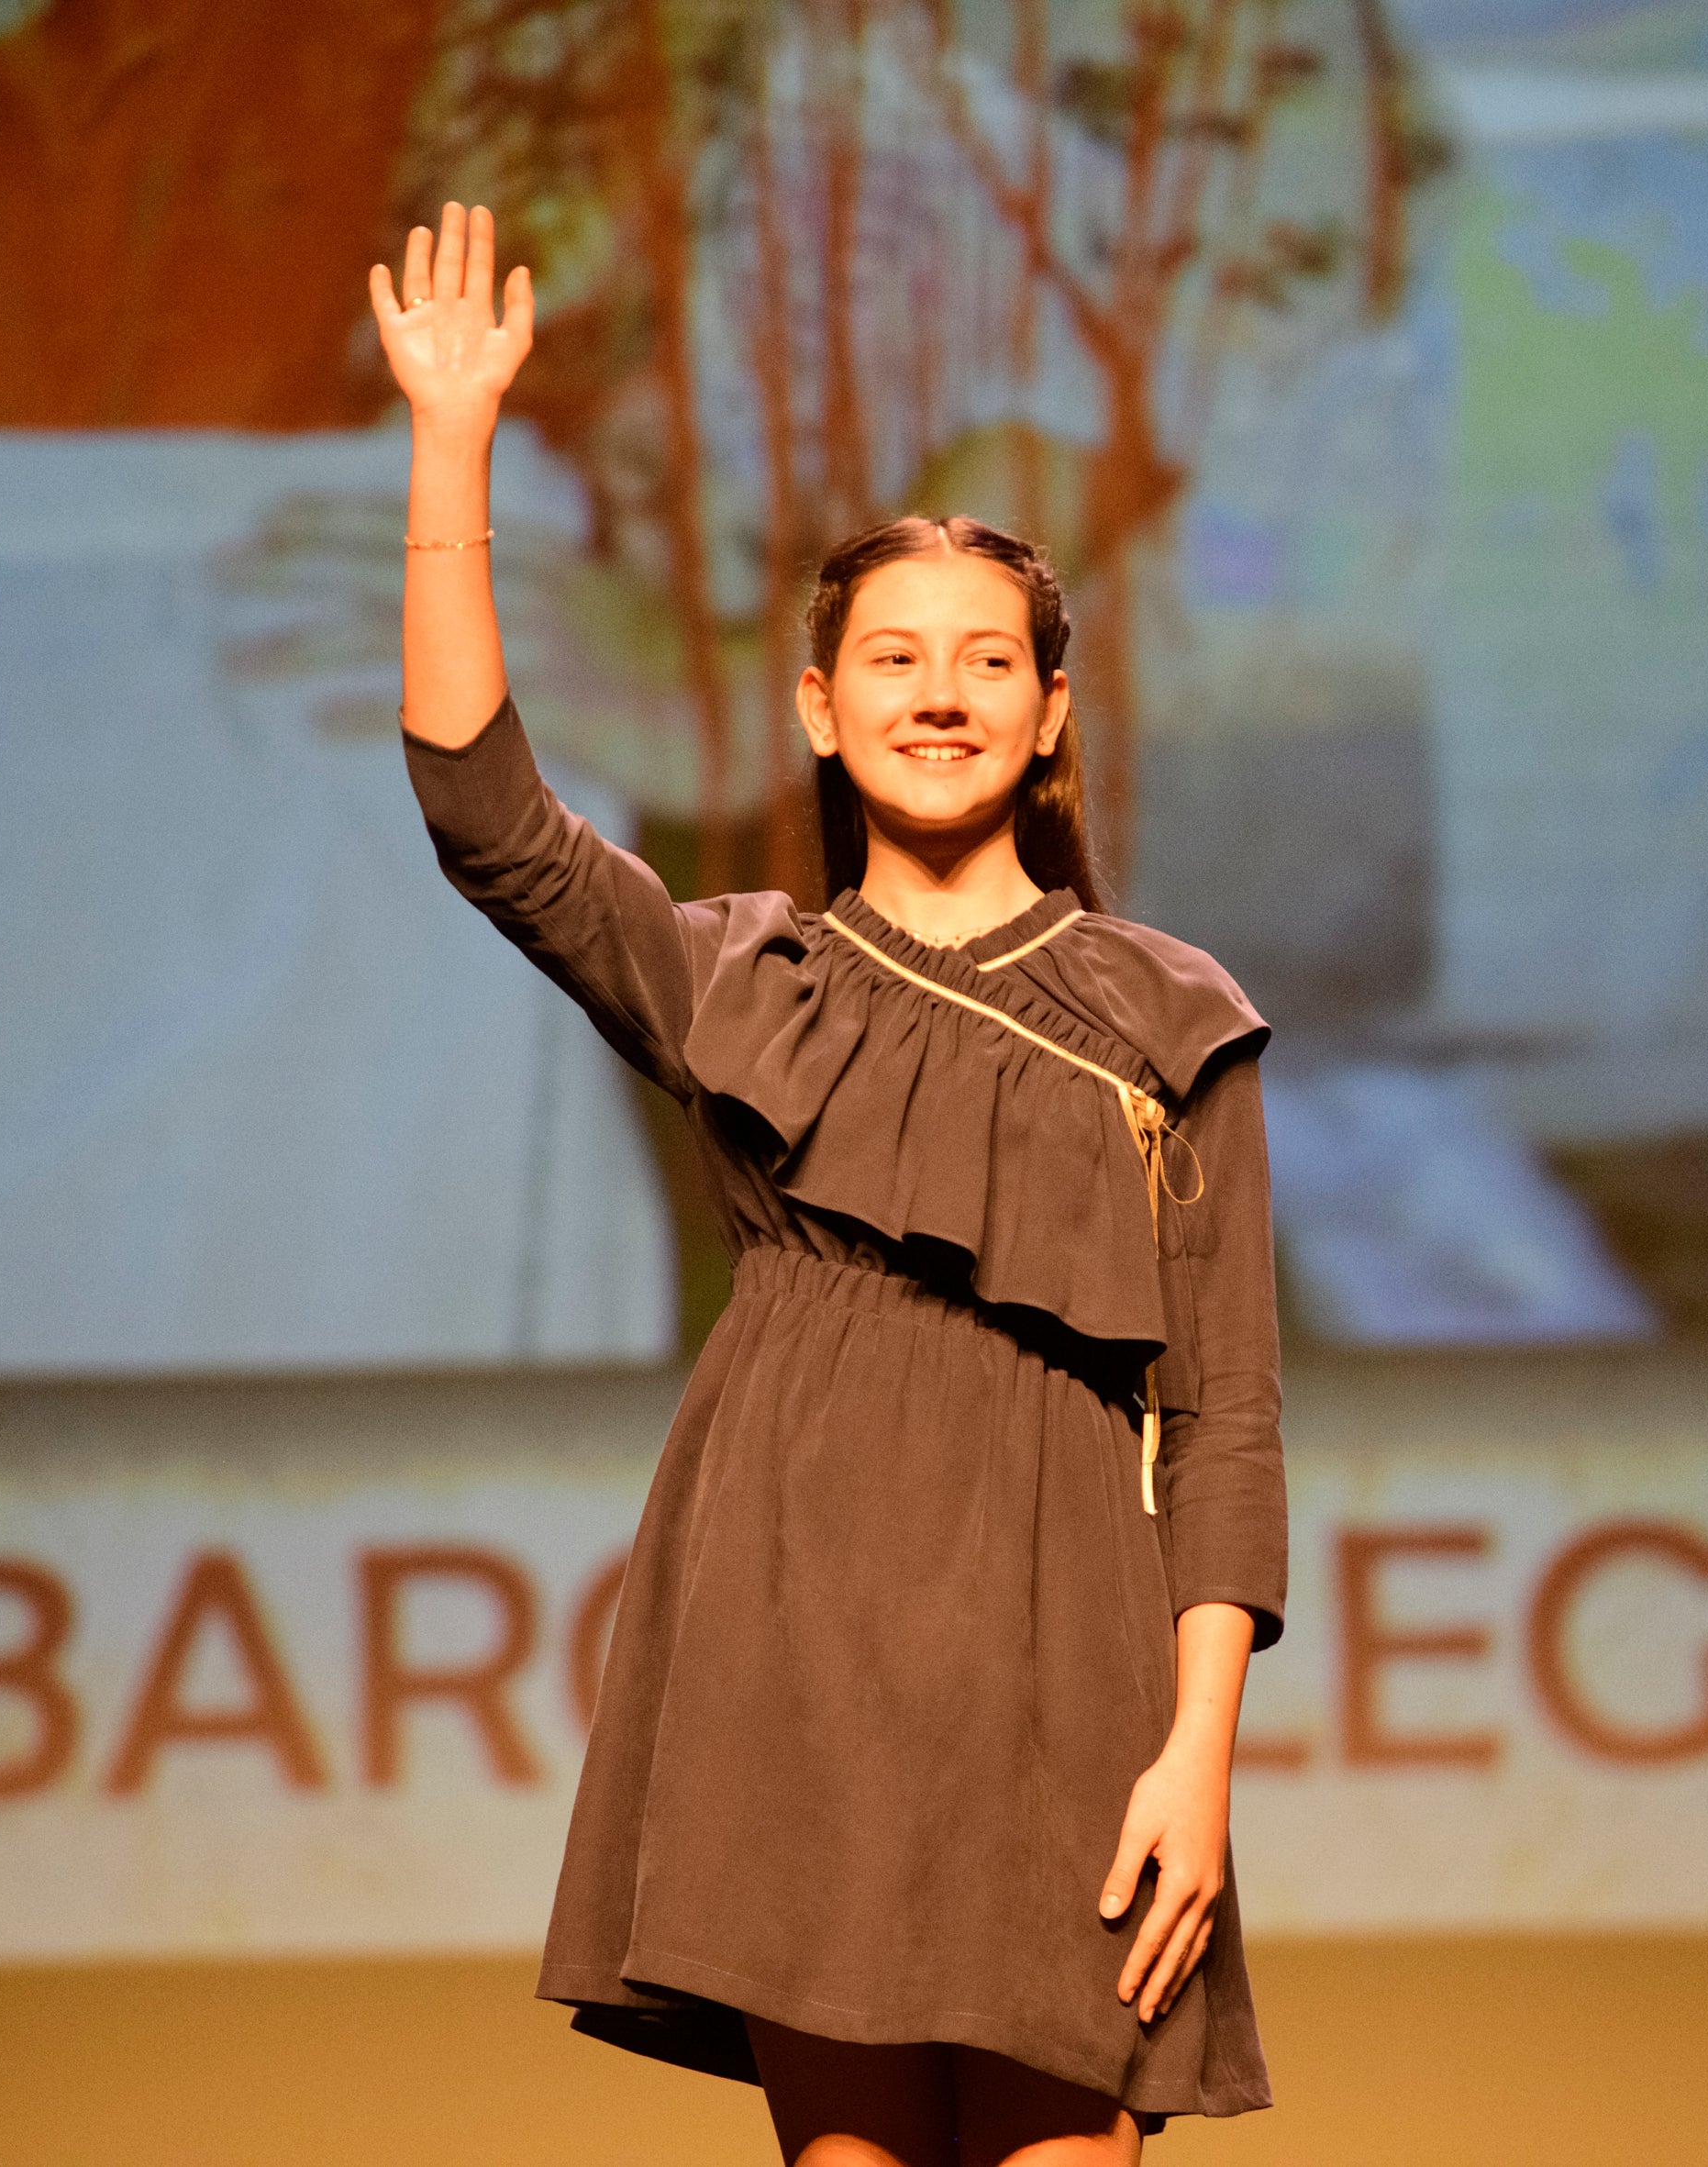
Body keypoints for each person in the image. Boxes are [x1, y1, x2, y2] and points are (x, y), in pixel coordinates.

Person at [373, 204, 1285, 2167]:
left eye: (982, 660)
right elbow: (481, 810)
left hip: (1071, 1678)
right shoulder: (738, 976)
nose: (935, 692)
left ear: (1049, 711)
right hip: (791, 1649)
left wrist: (1197, 1758)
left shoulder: (1169, 1017)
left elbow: (1224, 1425)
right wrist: (452, 442)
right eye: (888, 656)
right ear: (814, 705)